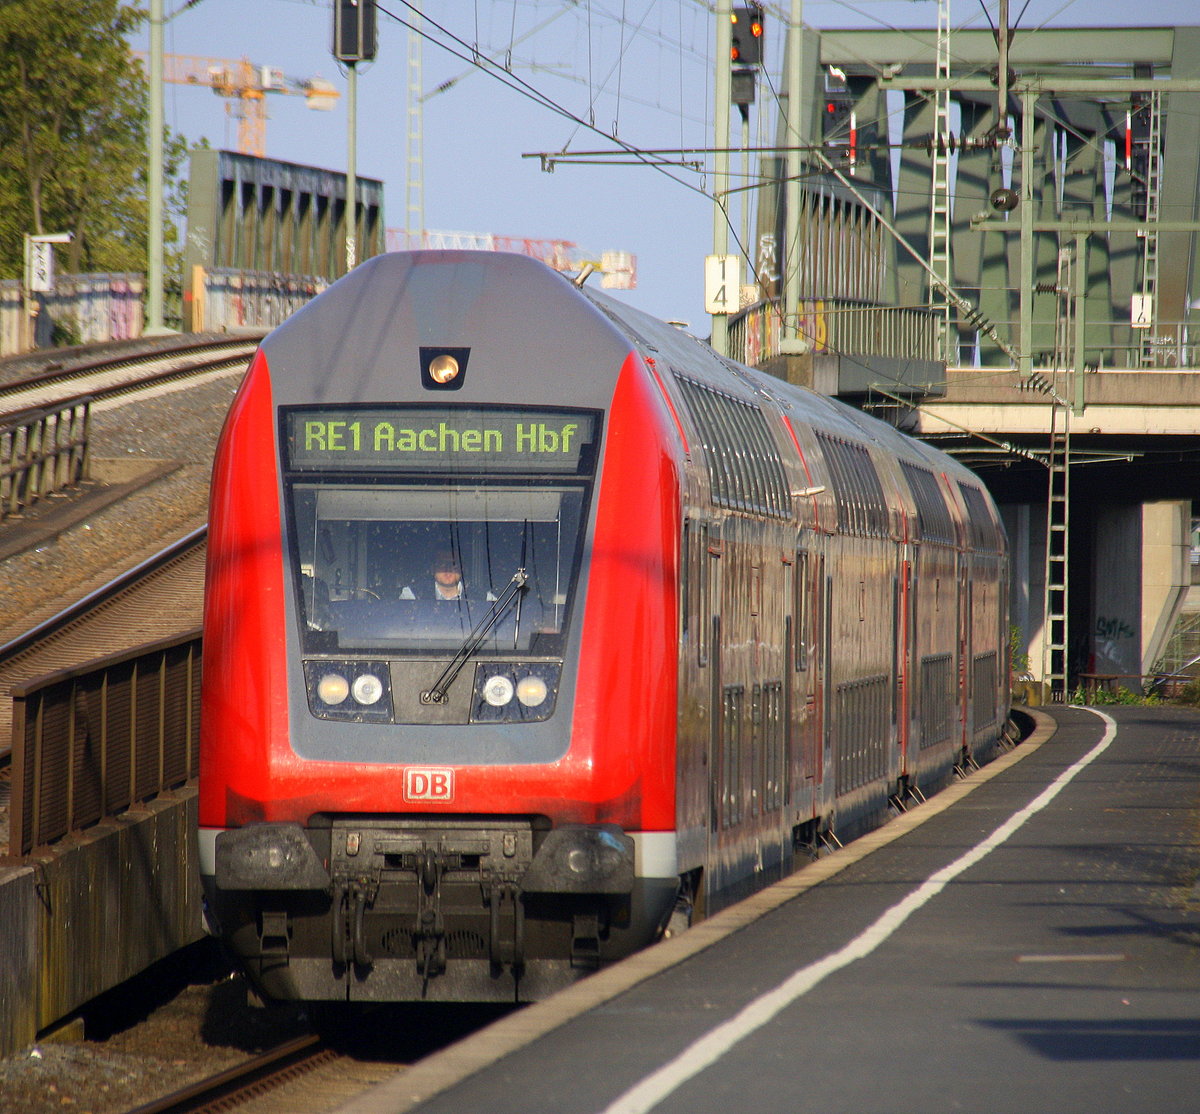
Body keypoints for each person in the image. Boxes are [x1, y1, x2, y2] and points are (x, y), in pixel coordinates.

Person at [400, 549, 467, 601]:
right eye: (442, 564)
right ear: (432, 568)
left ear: (462, 569)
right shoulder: (412, 594)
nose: (448, 569)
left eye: (453, 565)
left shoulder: (474, 596)